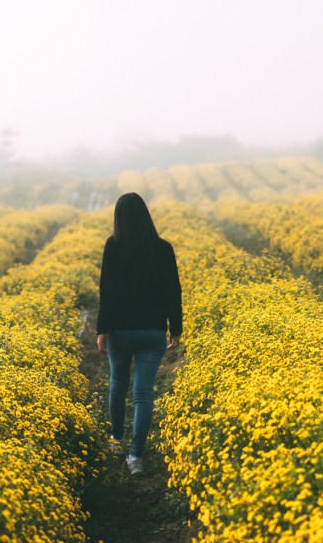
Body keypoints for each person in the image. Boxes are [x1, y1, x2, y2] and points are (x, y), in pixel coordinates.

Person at [96, 192, 182, 476]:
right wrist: (176, 328)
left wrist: (101, 329)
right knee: (144, 394)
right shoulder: (163, 248)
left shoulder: (113, 246)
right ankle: (135, 458)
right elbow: (173, 290)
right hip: (153, 330)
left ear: (118, 219)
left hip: (120, 330)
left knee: (118, 386)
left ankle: (116, 440)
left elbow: (106, 290)